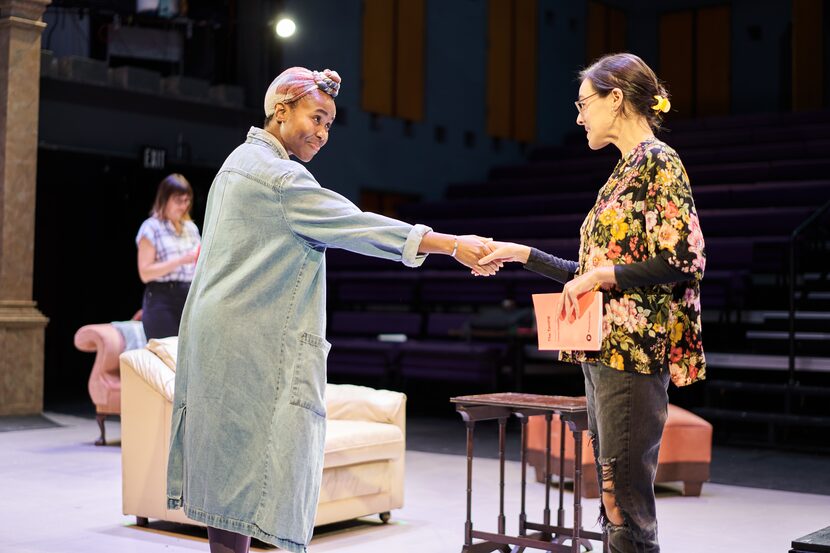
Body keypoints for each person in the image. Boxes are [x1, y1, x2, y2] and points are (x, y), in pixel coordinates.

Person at [166, 67, 500, 553]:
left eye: (329, 124)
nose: (323, 133)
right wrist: (453, 245)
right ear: (280, 110)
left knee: (230, 474)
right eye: (316, 117)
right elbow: (357, 225)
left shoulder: (237, 162)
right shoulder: (280, 177)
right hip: (247, 340)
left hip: (223, 332)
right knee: (253, 470)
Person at [479, 53, 706, 552]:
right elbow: (588, 275)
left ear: (616, 99)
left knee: (624, 501)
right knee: (611, 496)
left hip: (634, 352)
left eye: (585, 104)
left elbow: (685, 261)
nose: (579, 117)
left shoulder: (658, 161)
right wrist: (524, 255)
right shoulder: (625, 171)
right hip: (606, 352)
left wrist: (604, 274)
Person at [136, 173, 201, 340]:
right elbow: (145, 273)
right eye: (178, 201)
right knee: (166, 356)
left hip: (189, 297)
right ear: (164, 200)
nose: (183, 206)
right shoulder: (151, 227)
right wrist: (180, 261)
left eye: (187, 201)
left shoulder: (190, 228)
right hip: (162, 300)